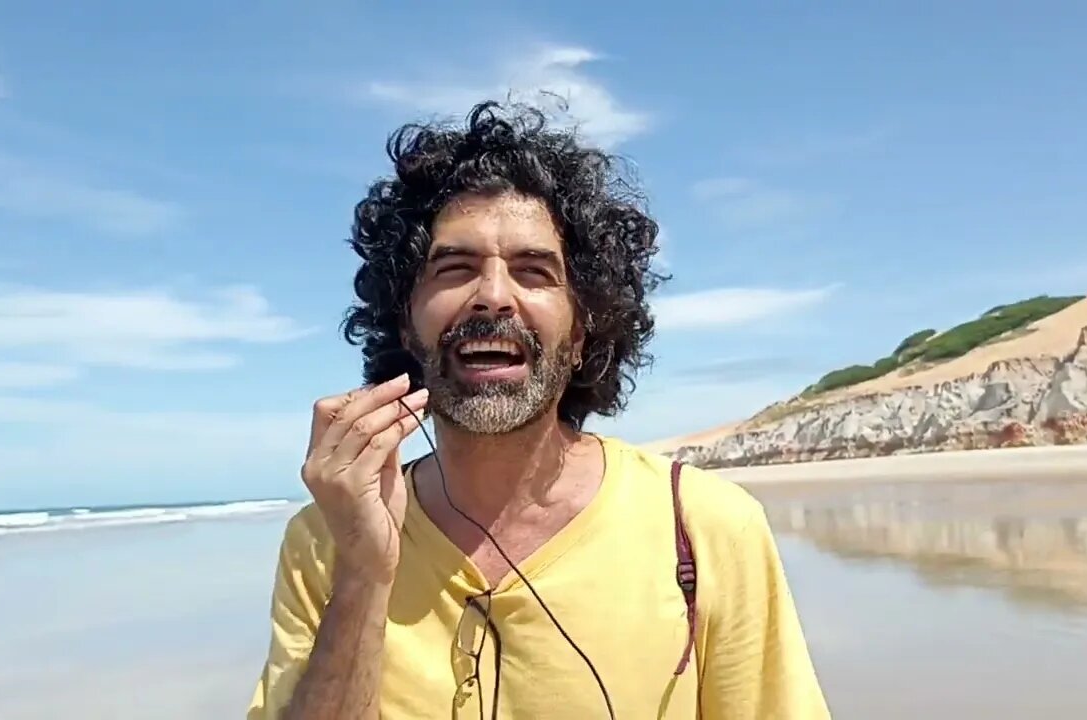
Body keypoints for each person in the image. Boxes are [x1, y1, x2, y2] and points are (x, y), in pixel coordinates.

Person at [246, 100, 830, 719]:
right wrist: (364, 574)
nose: (493, 296)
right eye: (455, 267)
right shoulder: (326, 542)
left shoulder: (707, 528)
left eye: (533, 271)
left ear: (581, 333)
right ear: (405, 323)